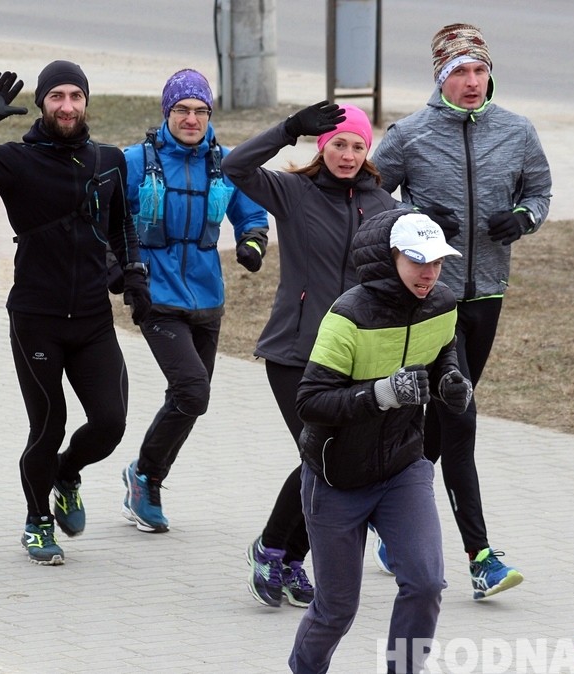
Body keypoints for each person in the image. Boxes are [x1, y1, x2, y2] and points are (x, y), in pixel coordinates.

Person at [0, 61, 150, 565]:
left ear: (87, 102)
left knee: (111, 422)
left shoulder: (109, 160)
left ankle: (67, 475)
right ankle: (37, 521)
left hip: (93, 319)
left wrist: (134, 276)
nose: (67, 106)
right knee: (48, 426)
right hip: (37, 319)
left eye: (76, 96)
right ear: (42, 104)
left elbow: (122, 227)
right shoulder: (17, 161)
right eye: (57, 97)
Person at [372, 22, 552, 599]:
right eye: (459, 73)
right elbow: (373, 202)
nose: (472, 82)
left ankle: (392, 515)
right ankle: (480, 556)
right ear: (440, 78)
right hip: (430, 297)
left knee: (436, 423)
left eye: (480, 70)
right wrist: (416, 222)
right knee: (460, 417)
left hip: (488, 294)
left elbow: (540, 190)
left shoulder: (518, 132)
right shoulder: (410, 135)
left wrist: (523, 219)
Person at [223, 101, 400, 608]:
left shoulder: (385, 206)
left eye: (357, 146)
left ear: (368, 153)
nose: (347, 154)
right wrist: (287, 130)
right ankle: (271, 549)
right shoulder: (294, 192)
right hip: (295, 353)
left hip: (353, 356)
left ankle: (288, 556)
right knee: (318, 452)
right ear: (322, 148)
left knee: (334, 462)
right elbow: (233, 167)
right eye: (338, 144)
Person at [289, 210, 472, 674]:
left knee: (426, 584)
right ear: (388, 259)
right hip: (336, 477)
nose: (428, 272)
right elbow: (310, 402)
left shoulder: (442, 303)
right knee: (337, 611)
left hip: (403, 468)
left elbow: (442, 353)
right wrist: (380, 394)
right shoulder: (347, 316)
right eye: (416, 260)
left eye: (437, 261)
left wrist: (451, 378)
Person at [119, 69, 268, 533]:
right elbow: (109, 217)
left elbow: (252, 213)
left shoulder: (225, 164)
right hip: (157, 297)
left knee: (191, 399)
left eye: (200, 110)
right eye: (182, 110)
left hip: (207, 299)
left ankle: (143, 475)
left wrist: (253, 241)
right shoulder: (135, 161)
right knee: (192, 389)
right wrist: (123, 270)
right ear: (167, 113)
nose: (191, 118)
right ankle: (146, 477)